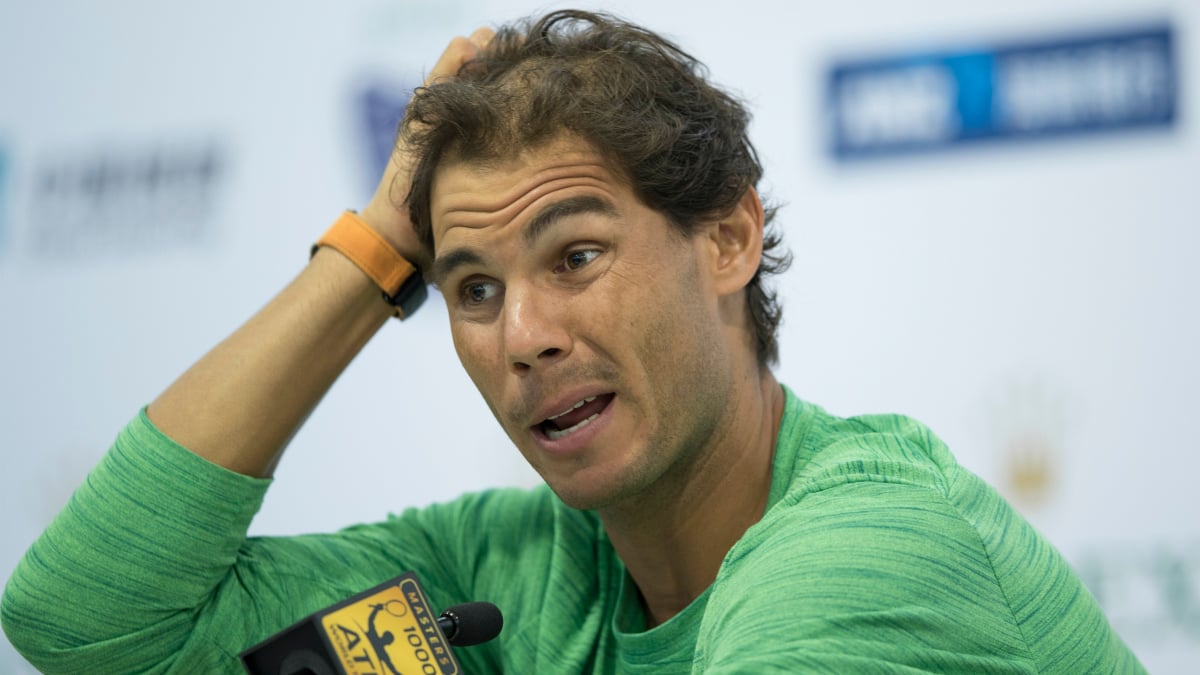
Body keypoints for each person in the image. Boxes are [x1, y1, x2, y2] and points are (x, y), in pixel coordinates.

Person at [2, 10, 1144, 674]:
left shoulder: (869, 549)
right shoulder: (504, 579)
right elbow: (85, 620)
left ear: (730, 236)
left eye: (577, 256)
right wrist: (376, 248)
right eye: (473, 287)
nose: (526, 338)